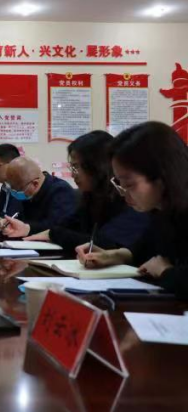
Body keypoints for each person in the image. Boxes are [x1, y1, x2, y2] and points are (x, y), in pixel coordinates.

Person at [77, 122, 187, 301]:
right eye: (119, 183)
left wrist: (165, 272)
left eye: (129, 184)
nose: (123, 193)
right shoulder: (161, 210)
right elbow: (147, 248)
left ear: (162, 176)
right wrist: (115, 255)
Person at [24, 131, 150, 253]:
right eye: (72, 167)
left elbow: (106, 244)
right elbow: (64, 226)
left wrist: (54, 234)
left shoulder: (126, 196)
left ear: (96, 165)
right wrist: (29, 229)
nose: (72, 174)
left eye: (76, 167)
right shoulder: (91, 196)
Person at [0, 157, 77, 237]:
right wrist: (3, 222)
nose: (14, 192)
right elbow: (17, 217)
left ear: (35, 184)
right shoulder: (27, 192)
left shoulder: (60, 191)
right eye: (12, 188)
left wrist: (26, 228)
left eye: (18, 189)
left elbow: (56, 226)